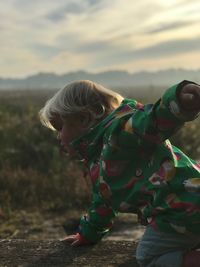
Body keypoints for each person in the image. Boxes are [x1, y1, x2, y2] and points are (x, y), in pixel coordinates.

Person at [39, 79, 200, 267]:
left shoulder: (121, 134)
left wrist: (177, 101)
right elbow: (103, 202)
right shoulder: (100, 160)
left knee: (149, 257)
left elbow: (153, 119)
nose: (58, 136)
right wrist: (88, 234)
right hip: (188, 204)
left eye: (60, 127)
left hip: (178, 211)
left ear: (83, 119)